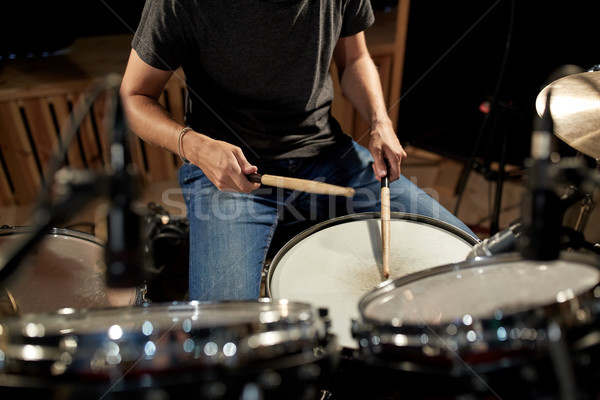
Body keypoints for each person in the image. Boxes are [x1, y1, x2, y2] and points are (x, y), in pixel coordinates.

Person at [120, 0, 477, 302]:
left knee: (473, 262)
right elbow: (134, 97)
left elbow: (354, 59)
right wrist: (194, 145)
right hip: (230, 172)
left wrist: (380, 121)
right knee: (224, 331)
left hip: (330, 157)